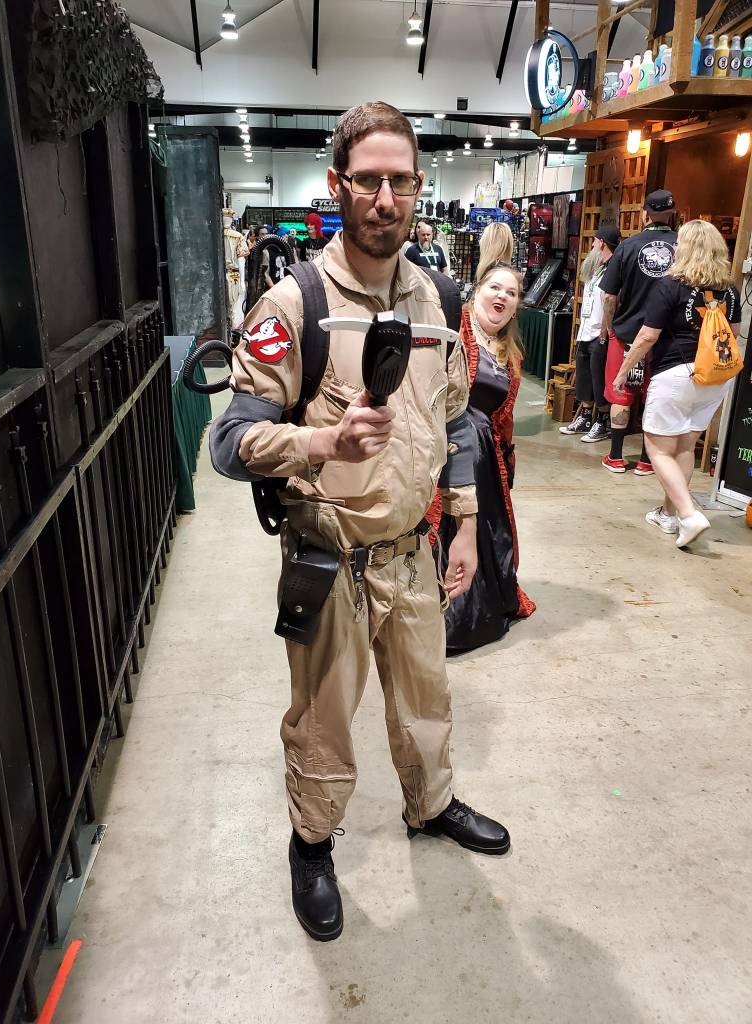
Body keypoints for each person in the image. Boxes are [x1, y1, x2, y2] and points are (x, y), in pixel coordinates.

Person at [211, 101, 510, 943]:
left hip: (412, 554)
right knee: (323, 720)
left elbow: (456, 421)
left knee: (425, 700)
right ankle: (312, 845)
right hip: (330, 560)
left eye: (400, 181)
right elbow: (228, 444)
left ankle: (431, 805)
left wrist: (462, 521)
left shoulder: (439, 296)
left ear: (418, 187)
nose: (385, 199)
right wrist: (320, 440)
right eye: (368, 180)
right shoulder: (294, 304)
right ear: (337, 184)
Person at [613, 219, 741, 548]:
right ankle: (670, 515)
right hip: (715, 378)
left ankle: (688, 513)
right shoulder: (730, 290)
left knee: (657, 449)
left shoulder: (670, 285)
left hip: (676, 374)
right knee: (685, 446)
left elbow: (647, 336)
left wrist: (623, 370)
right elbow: (734, 334)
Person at [431, 261, 536, 651]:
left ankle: (478, 611)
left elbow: (503, 420)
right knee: (443, 533)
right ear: (477, 291)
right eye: (495, 287)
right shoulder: (452, 330)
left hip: (486, 462)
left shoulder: (511, 354)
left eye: (511, 293)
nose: (502, 297)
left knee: (486, 537)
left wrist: (507, 463)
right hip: (446, 453)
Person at [599, 190, 678, 474]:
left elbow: (609, 296)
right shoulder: (683, 248)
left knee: (621, 391)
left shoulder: (628, 246)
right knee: (652, 396)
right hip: (666, 338)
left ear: (645, 214)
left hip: (627, 333)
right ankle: (647, 460)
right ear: (672, 213)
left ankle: (616, 457)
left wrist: (610, 327)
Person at [559, 226, 620, 442]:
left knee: (599, 377)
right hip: (586, 330)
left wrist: (604, 330)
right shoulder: (597, 267)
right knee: (584, 375)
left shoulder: (613, 268)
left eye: (594, 241)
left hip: (600, 333)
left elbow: (611, 302)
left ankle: (602, 421)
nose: (592, 244)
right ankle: (585, 417)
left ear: (602, 242)